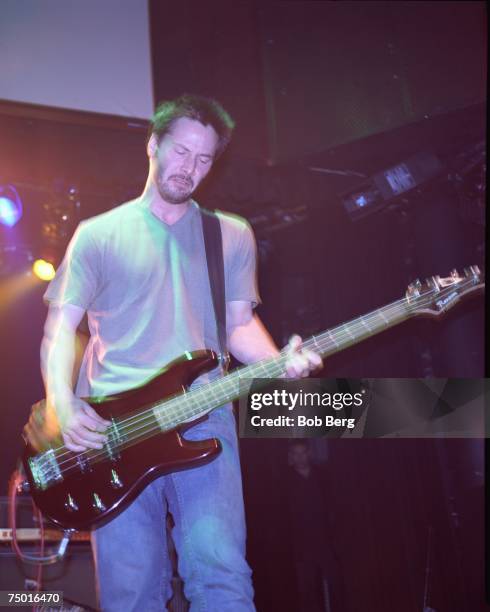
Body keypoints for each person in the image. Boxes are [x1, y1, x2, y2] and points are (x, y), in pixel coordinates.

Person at [40, 94, 322, 611]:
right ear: (153, 145)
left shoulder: (230, 234)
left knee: (221, 580)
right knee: (132, 595)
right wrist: (62, 400)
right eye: (181, 151)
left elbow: (238, 325)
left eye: (204, 159)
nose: (189, 168)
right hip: (112, 433)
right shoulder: (97, 235)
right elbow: (60, 329)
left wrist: (282, 364)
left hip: (202, 418)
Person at [285, 440, 341, 612]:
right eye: (295, 454)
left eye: (302, 453)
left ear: (309, 454)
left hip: (326, 541)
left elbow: (333, 506)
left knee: (336, 585)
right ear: (290, 457)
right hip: (301, 546)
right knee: (307, 592)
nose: (300, 457)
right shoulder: (285, 483)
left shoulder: (322, 476)